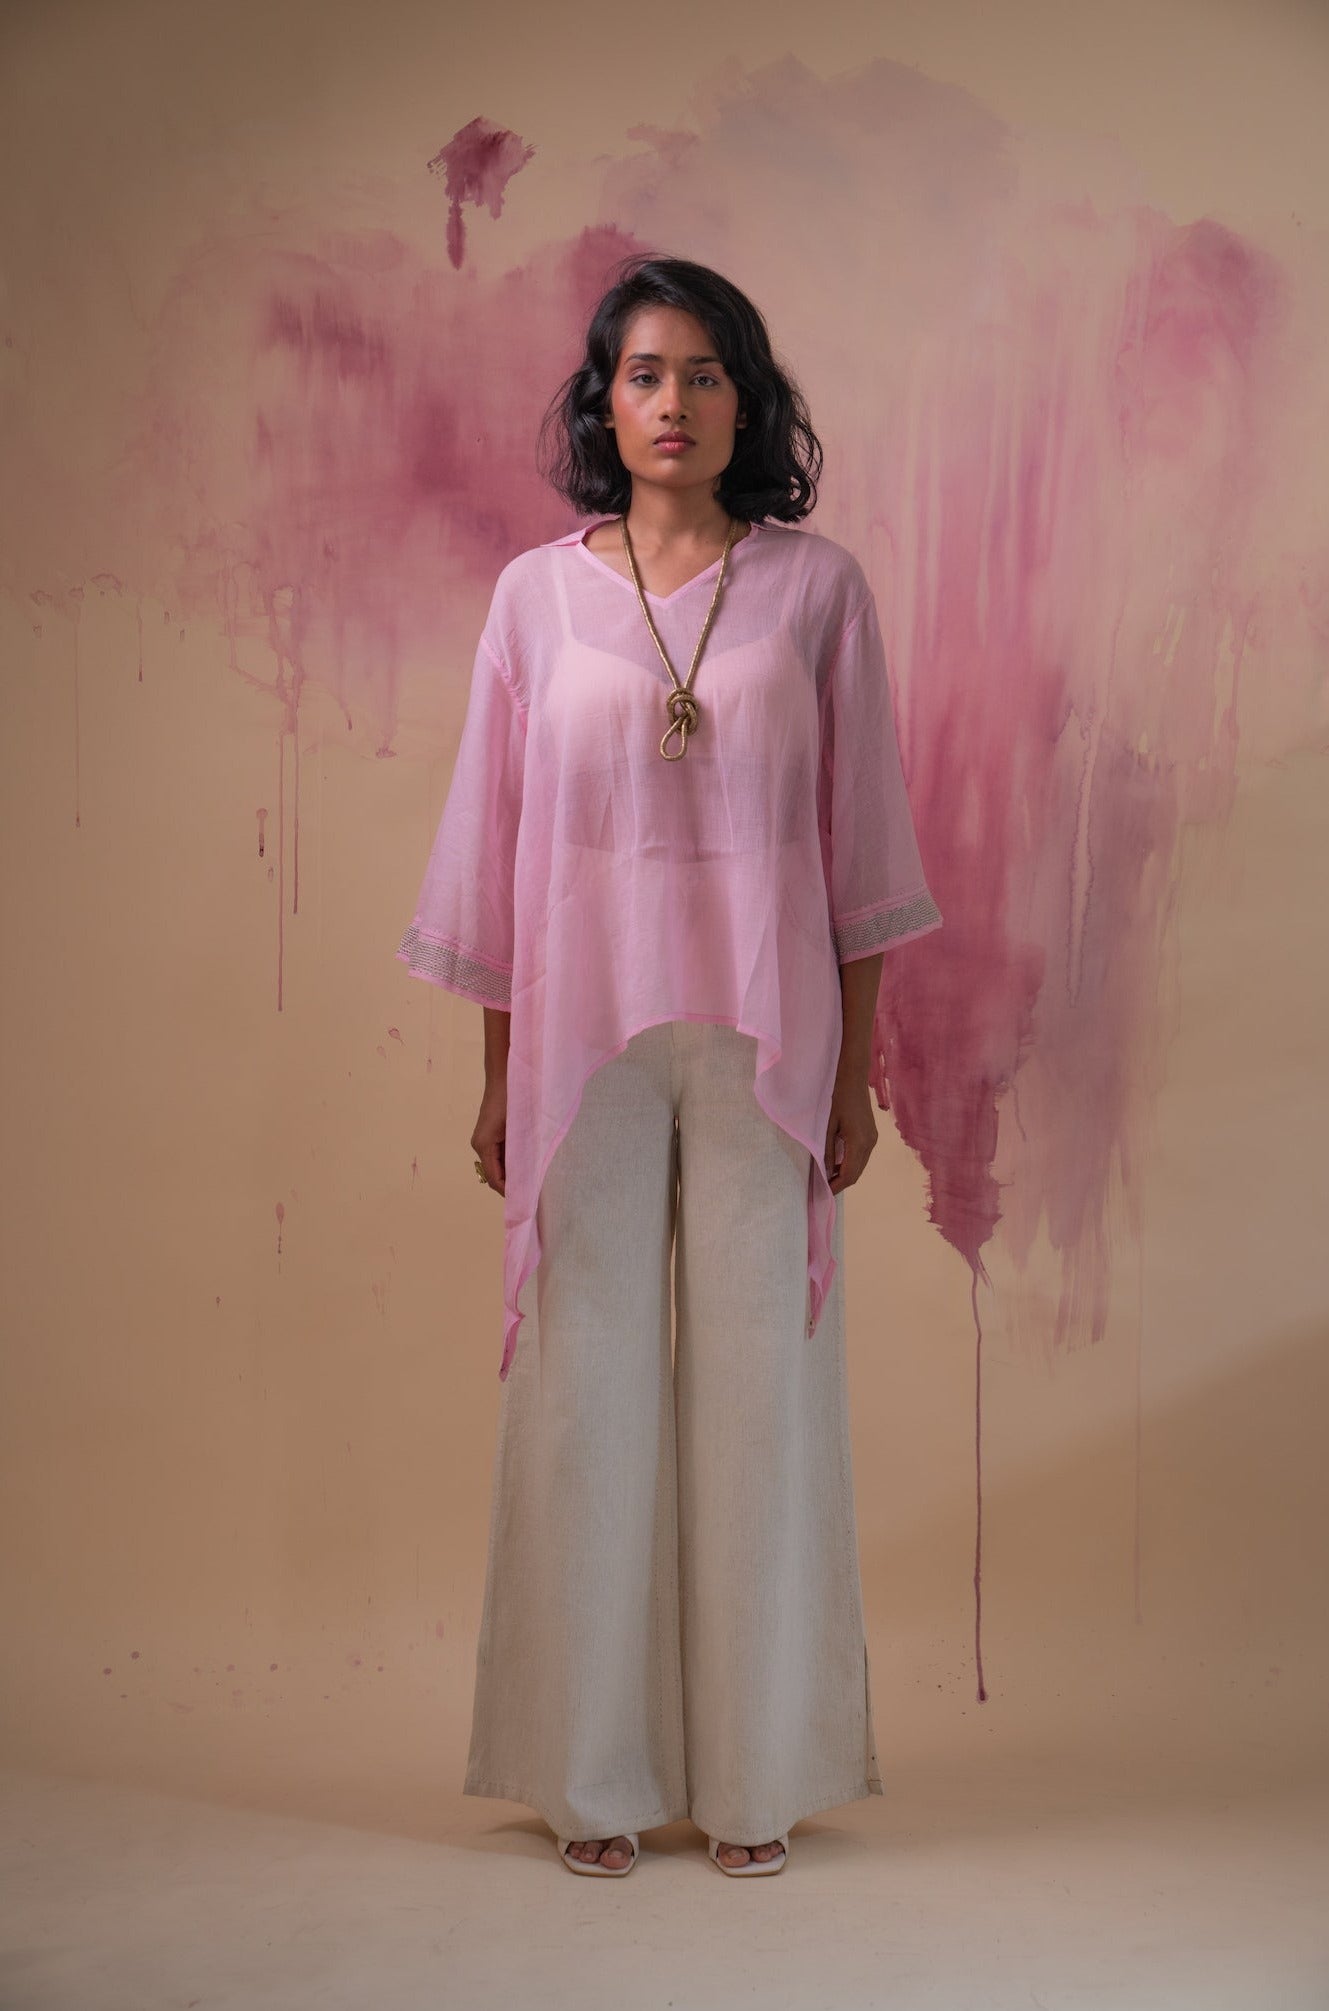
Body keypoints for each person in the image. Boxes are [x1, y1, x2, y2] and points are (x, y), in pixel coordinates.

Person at [396, 254, 942, 1877]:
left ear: (745, 401)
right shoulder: (533, 598)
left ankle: (757, 1782)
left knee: (764, 1399)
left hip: (767, 1039)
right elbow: (496, 853)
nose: (674, 402)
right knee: (586, 1395)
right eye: (644, 373)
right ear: (602, 401)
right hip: (585, 1044)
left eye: (706, 373)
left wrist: (852, 1075)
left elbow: (858, 844)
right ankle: (594, 1781)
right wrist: (498, 1074)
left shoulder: (817, 589)